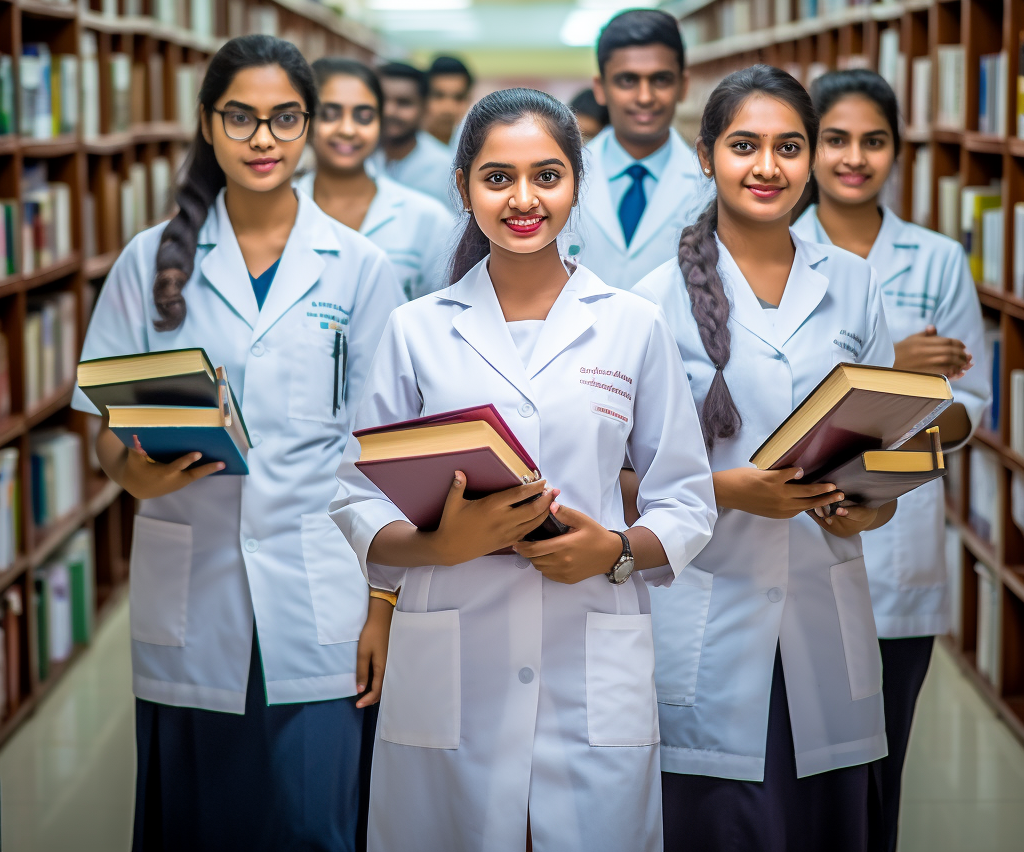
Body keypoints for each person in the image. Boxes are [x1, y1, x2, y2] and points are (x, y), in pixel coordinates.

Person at [329, 88, 718, 852]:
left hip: (591, 648)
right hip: (454, 650)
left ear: (576, 183)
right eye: (497, 178)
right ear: (466, 188)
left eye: (547, 175)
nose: (523, 199)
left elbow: (686, 500)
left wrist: (613, 551)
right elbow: (356, 495)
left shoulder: (632, 325)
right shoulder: (417, 330)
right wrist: (437, 547)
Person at [72, 35, 405, 852]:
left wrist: (384, 606)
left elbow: (387, 455)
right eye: (242, 119)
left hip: (321, 590)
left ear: (309, 126)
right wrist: (132, 474)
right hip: (196, 584)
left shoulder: (359, 268)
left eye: (285, 118)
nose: (264, 140)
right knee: (195, 824)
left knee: (315, 826)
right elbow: (102, 426)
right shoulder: (149, 262)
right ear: (208, 125)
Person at [632, 64, 896, 852]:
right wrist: (728, 490)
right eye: (744, 145)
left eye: (789, 146)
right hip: (710, 612)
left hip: (823, 602)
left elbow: (884, 444)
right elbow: (618, 479)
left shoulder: (852, 285)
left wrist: (871, 500)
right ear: (707, 154)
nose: (768, 167)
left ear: (812, 159)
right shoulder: (651, 302)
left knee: (828, 826)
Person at [791, 68, 989, 852]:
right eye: (835, 139)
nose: (853, 157)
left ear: (897, 152)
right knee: (802, 773)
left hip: (896, 551)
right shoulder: (780, 250)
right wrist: (895, 377)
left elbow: (968, 405)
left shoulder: (937, 259)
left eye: (873, 140)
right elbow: (773, 397)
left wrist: (887, 446)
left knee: (881, 773)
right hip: (798, 537)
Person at [297, 57, 457, 300]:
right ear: (304, 119)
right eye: (329, 114)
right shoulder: (275, 211)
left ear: (379, 122)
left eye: (364, 116)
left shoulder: (429, 220)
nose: (348, 130)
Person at [573, 8, 706, 289]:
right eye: (627, 80)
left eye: (660, 80)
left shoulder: (709, 186)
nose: (645, 97)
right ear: (600, 88)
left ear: (683, 86)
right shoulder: (564, 175)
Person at [367, 61, 455, 208]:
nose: (388, 111)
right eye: (382, 101)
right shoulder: (358, 158)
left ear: (425, 107)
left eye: (403, 103)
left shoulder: (445, 168)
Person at [424, 53, 474, 148]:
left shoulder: (473, 150)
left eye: (458, 97)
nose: (448, 108)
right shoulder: (400, 149)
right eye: (439, 95)